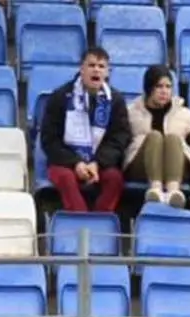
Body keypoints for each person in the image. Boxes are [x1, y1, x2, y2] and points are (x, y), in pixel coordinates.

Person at [41, 47, 130, 213]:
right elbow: (49, 139)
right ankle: (81, 224)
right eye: (91, 65)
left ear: (107, 72)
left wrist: (97, 163)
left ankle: (101, 222)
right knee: (67, 178)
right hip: (65, 162)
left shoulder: (116, 101)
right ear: (81, 69)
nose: (96, 69)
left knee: (115, 179)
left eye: (101, 66)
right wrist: (76, 163)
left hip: (100, 163)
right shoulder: (60, 97)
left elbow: (119, 138)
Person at [123, 64, 190, 208]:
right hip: (142, 166)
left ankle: (173, 192)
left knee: (173, 138)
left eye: (168, 87)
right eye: (159, 86)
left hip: (177, 167)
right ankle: (155, 189)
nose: (164, 91)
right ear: (149, 88)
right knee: (155, 137)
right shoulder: (131, 112)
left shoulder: (185, 114)